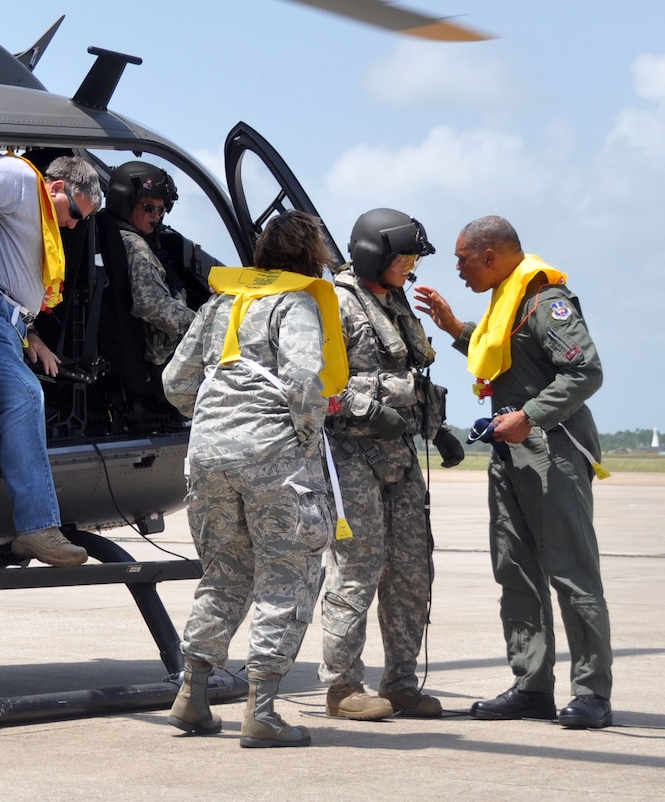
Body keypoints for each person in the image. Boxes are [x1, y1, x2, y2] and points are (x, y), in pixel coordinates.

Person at [413, 215, 614, 729]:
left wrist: (531, 416)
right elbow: (505, 360)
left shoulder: (546, 301)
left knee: (572, 574)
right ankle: (531, 686)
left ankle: (591, 693)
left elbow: (584, 371)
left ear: (489, 256)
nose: (456, 268)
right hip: (511, 458)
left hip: (552, 455)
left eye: (461, 259)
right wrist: (456, 328)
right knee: (516, 572)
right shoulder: (507, 301)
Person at [162, 210, 348, 748]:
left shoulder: (222, 302)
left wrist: (218, 416)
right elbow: (303, 377)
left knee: (223, 574)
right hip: (274, 457)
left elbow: (176, 382)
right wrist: (309, 438)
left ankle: (192, 695)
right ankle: (262, 711)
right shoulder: (297, 302)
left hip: (208, 457)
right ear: (310, 255)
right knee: (286, 576)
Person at [319, 208, 463, 722]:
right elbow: (315, 384)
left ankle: (400, 681)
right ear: (374, 255)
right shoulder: (331, 304)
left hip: (400, 455)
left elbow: (407, 371)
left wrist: (438, 427)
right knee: (356, 567)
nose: (410, 266)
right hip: (349, 453)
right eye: (403, 257)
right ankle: (342, 686)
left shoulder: (395, 300)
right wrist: (372, 406)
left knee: (411, 567)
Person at [0, 154, 102, 567]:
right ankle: (36, 528)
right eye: (73, 213)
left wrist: (30, 333)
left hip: (12, 324)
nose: (72, 225)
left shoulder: (34, 205)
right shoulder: (17, 178)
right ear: (56, 188)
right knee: (25, 396)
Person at [105, 161, 195, 367]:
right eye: (149, 208)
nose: (156, 216)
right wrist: (201, 325)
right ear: (126, 203)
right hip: (163, 359)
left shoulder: (121, 236)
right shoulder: (134, 245)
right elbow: (150, 303)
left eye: (161, 210)